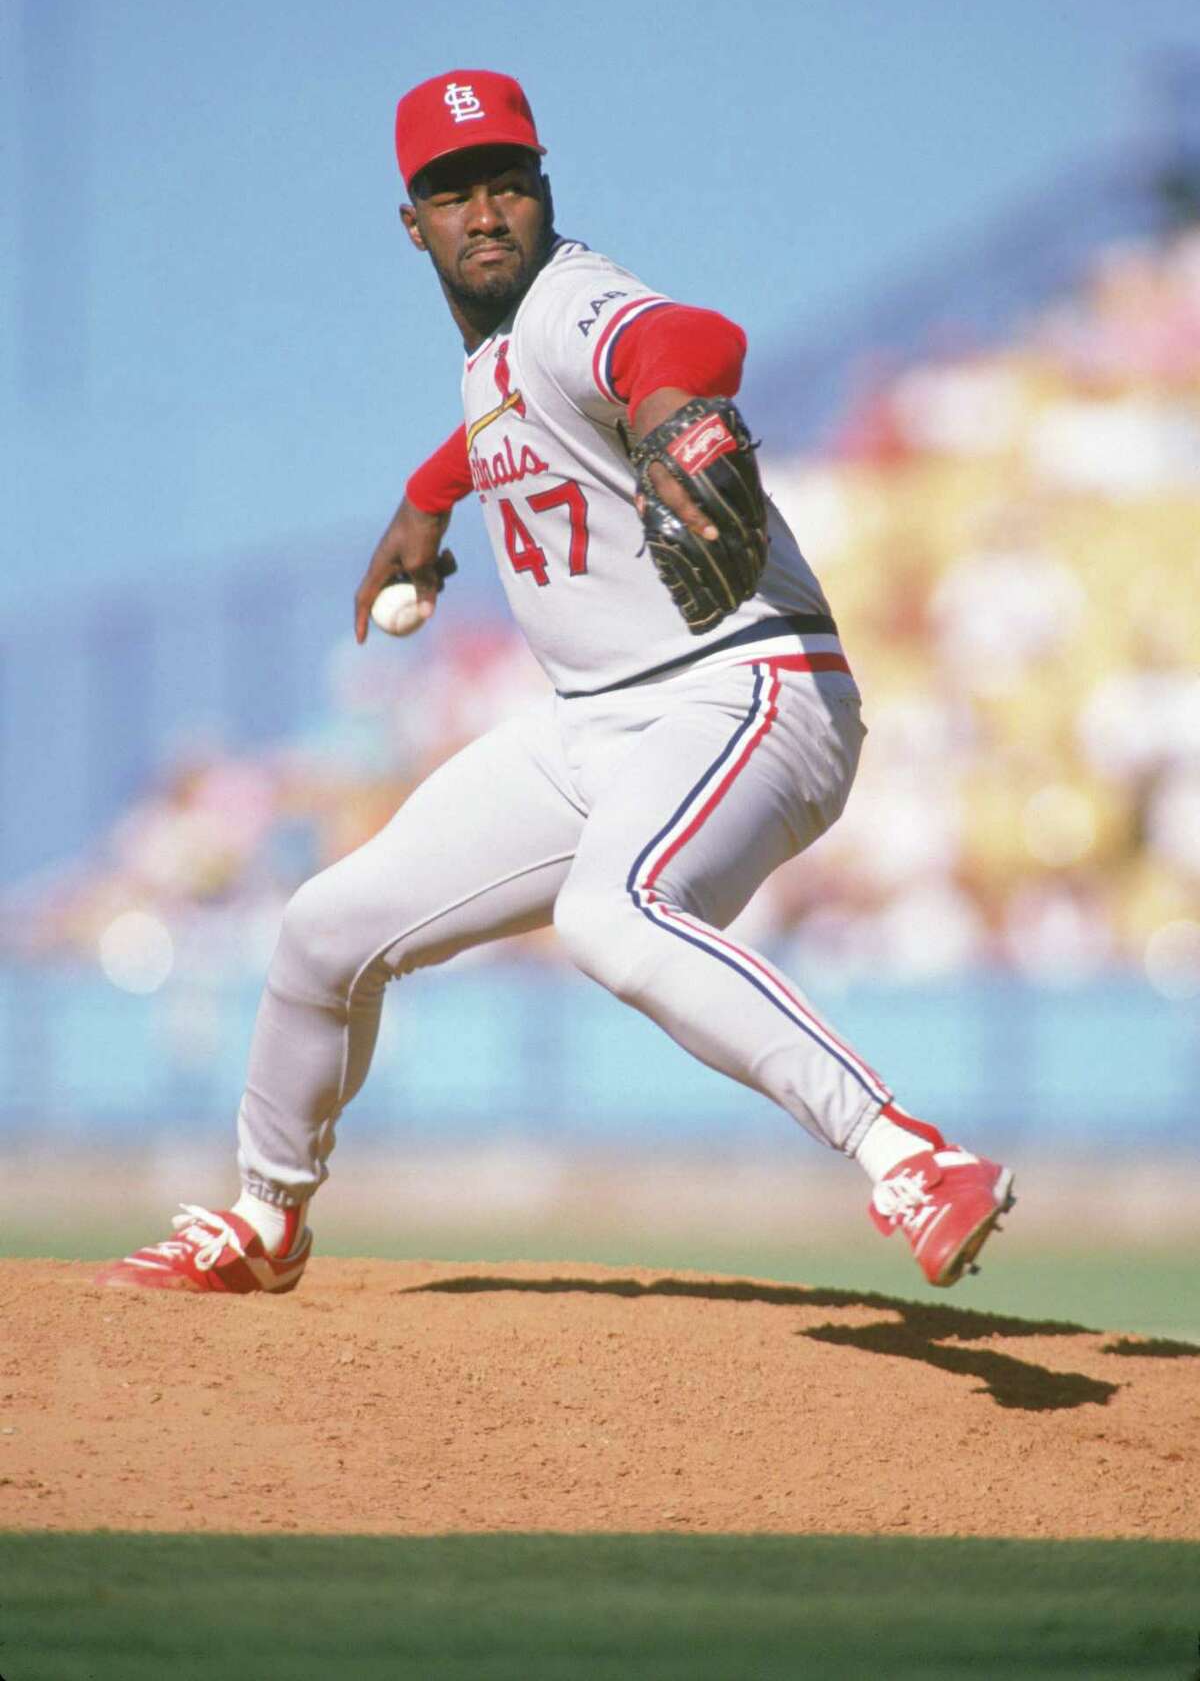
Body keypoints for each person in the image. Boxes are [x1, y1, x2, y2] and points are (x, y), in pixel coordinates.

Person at [98, 70, 1015, 1296]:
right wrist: (428, 498)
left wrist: (670, 408)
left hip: (749, 688)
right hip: (598, 725)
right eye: (451, 192)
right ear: (410, 222)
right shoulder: (493, 359)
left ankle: (909, 1154)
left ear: (544, 190)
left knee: (612, 911)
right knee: (323, 931)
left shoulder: (572, 299)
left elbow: (685, 341)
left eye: (507, 183)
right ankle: (268, 1222)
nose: (485, 212)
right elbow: (500, 416)